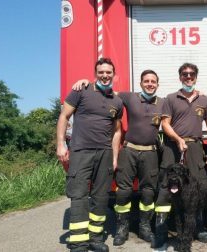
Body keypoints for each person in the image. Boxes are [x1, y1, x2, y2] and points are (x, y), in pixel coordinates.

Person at [71, 70, 164, 246]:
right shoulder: (129, 97)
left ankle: (145, 227)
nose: (150, 84)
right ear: (141, 83)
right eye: (146, 81)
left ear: (157, 84)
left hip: (151, 153)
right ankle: (122, 229)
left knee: (148, 191)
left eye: (153, 81)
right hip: (128, 151)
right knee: (123, 191)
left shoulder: (164, 103)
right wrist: (87, 81)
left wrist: (199, 93)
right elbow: (105, 91)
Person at [57, 58, 123, 252]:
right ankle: (78, 243)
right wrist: (61, 144)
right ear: (96, 73)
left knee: (101, 196)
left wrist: (114, 156)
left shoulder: (117, 101)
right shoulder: (81, 90)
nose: (105, 75)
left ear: (113, 74)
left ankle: (96, 238)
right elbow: (64, 116)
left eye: (108, 72)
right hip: (81, 151)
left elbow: (117, 131)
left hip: (104, 153)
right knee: (79, 195)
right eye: (101, 72)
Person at [152, 62, 207, 248]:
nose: (188, 77)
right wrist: (178, 139)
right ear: (180, 77)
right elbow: (165, 124)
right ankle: (161, 230)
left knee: (197, 187)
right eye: (185, 74)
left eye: (191, 74)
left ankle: (198, 228)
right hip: (173, 146)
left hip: (195, 147)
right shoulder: (170, 98)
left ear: (196, 76)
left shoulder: (204, 100)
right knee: (166, 187)